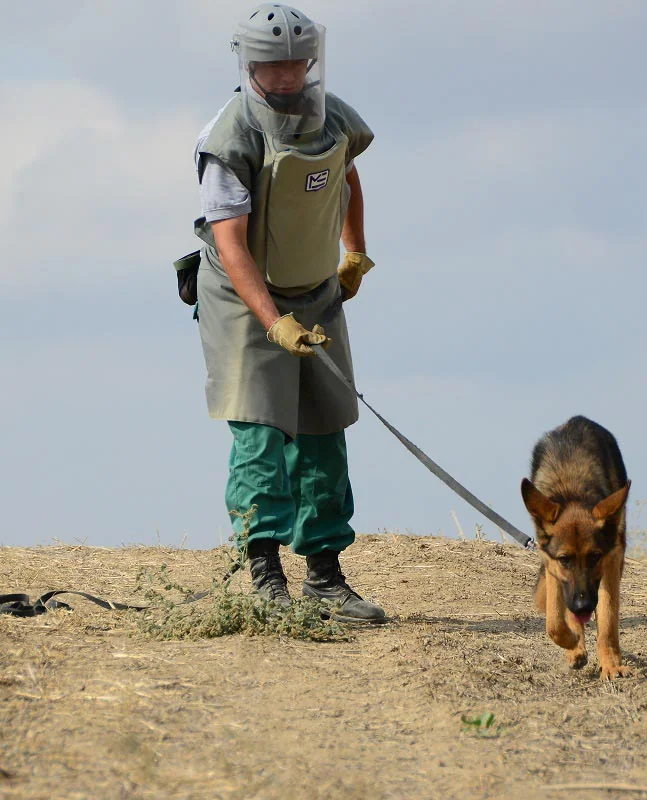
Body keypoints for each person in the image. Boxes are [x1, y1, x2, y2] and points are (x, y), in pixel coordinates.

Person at [189, 3, 385, 623]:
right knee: (261, 429)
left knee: (326, 427)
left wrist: (354, 252)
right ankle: (265, 575)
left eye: (301, 59)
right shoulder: (231, 137)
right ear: (251, 63)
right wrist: (272, 321)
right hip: (245, 296)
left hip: (315, 287)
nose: (291, 71)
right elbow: (229, 242)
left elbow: (346, 178)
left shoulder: (329, 115)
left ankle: (325, 576)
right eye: (276, 63)